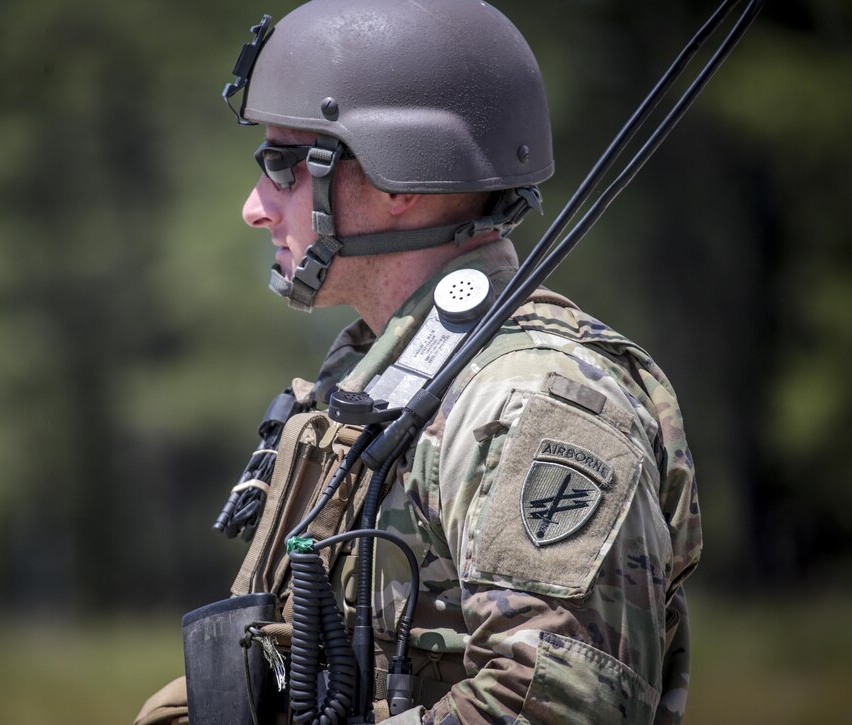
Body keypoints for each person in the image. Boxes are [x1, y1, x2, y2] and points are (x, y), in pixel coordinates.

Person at [137, 0, 700, 722]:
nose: (255, 207)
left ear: (401, 176)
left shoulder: (530, 399)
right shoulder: (376, 378)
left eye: (284, 164)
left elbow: (552, 707)